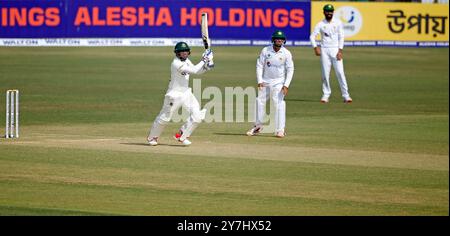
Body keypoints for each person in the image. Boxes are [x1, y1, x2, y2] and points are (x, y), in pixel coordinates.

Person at [147, 42, 213, 146]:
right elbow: (195, 70)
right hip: (174, 94)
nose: (184, 54)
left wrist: (207, 66)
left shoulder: (187, 61)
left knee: (197, 116)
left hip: (186, 92)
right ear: (177, 53)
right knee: (165, 117)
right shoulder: (176, 63)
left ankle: (182, 135)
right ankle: (152, 137)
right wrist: (204, 59)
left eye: (186, 52)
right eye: (182, 52)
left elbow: (198, 71)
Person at [246, 30, 294, 138]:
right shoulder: (265, 50)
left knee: (279, 103)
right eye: (277, 38)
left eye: (281, 39)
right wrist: (259, 81)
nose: (279, 40)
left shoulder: (286, 53)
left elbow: (290, 69)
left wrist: (286, 85)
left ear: (283, 41)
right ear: (273, 40)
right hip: (265, 81)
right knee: (259, 101)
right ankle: (258, 126)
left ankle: (280, 130)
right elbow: (259, 65)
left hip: (279, 82)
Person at [309, 4, 352, 104]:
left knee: (340, 73)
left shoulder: (337, 23)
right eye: (327, 11)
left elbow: (341, 36)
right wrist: (315, 48)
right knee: (325, 74)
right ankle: (326, 95)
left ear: (333, 12)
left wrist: (340, 50)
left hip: (335, 50)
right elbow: (312, 37)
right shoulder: (320, 24)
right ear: (324, 12)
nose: (329, 13)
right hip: (324, 50)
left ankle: (346, 96)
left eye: (331, 11)